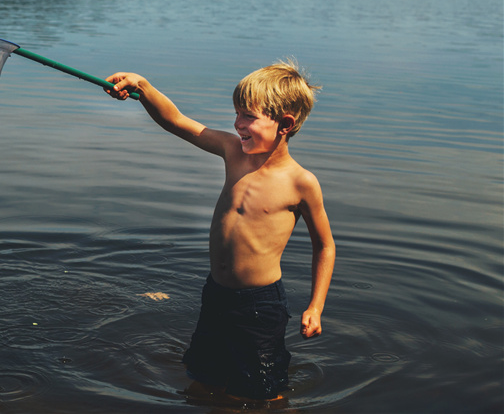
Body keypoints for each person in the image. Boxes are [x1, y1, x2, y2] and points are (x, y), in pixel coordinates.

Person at [104, 60, 335, 400]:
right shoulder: (233, 152)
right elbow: (178, 122)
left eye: (249, 117)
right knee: (204, 377)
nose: (237, 123)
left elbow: (325, 246)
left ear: (285, 124)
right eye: (237, 113)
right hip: (216, 294)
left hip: (260, 305)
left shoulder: (301, 182)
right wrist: (144, 87)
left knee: (263, 389)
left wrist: (316, 306)